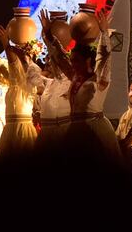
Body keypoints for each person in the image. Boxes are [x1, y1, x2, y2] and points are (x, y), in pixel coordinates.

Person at [40, 9, 122, 166]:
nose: (72, 64)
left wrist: (104, 33)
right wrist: (49, 34)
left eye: (76, 60)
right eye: (73, 60)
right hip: (75, 131)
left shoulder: (98, 80)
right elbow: (59, 57)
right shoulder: (75, 77)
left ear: (87, 62)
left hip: (94, 131)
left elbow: (104, 58)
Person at [0, 26, 42, 160]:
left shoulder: (31, 72)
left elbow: (13, 63)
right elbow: (2, 64)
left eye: (21, 50)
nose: (17, 53)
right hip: (10, 128)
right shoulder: (14, 78)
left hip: (23, 129)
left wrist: (6, 44)